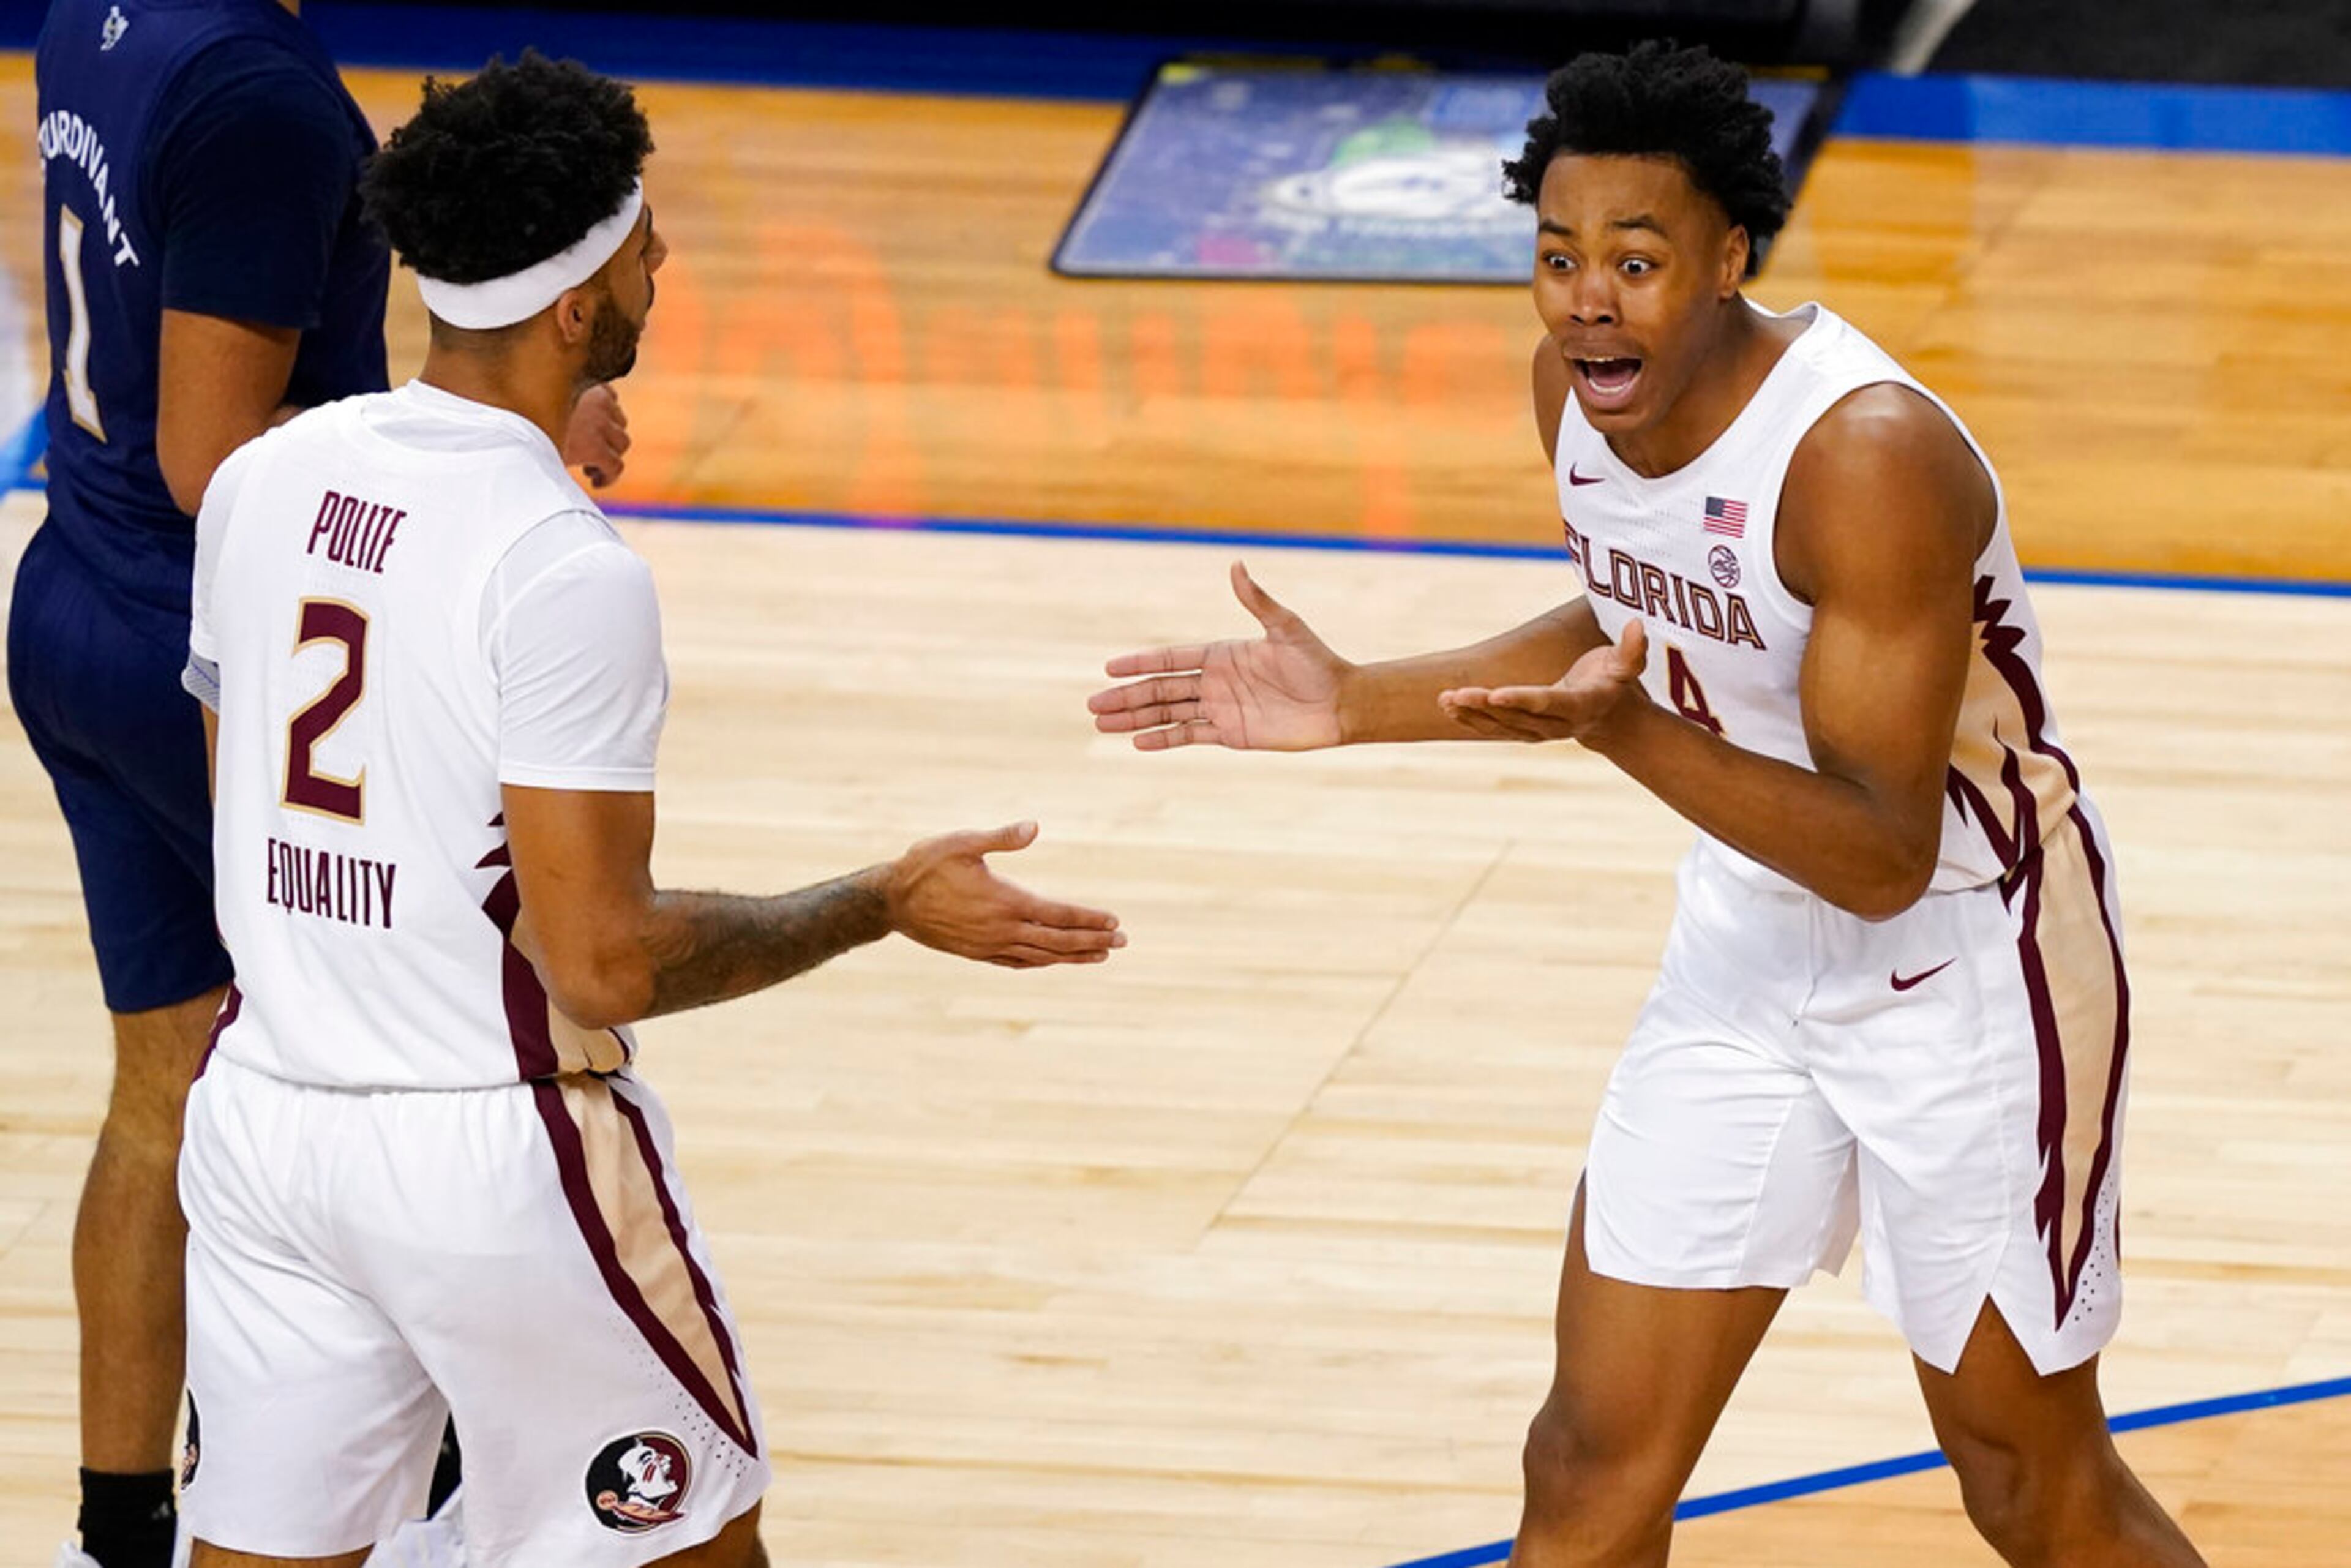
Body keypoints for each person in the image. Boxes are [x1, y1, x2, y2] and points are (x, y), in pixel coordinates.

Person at [1089, 42, 2204, 1568]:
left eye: (1634, 260)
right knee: (1589, 1465)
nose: (1587, 300)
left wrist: (1625, 741)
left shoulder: (1865, 457)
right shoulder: (1576, 395)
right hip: (1748, 948)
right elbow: (1638, 621)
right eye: (1558, 260)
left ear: (1731, 257)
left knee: (2027, 1482)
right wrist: (1357, 702)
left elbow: (1879, 850)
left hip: (1972, 960)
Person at [176, 52, 1122, 1566]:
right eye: (642, 245)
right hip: (489, 1152)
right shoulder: (564, 571)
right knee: (694, 1552)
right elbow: (603, 965)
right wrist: (878, 902)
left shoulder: (263, 478)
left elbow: (244, 808)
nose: (663, 261)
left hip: (265, 1122)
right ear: (575, 307)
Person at [18, 6, 632, 1561]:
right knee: (368, 1080)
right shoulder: (259, 99)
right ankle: (337, 1496)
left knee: (172, 1083)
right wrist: (492, 424)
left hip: (78, 593)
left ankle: (125, 1528)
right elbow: (215, 458)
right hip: (217, 646)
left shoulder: (112, 18)